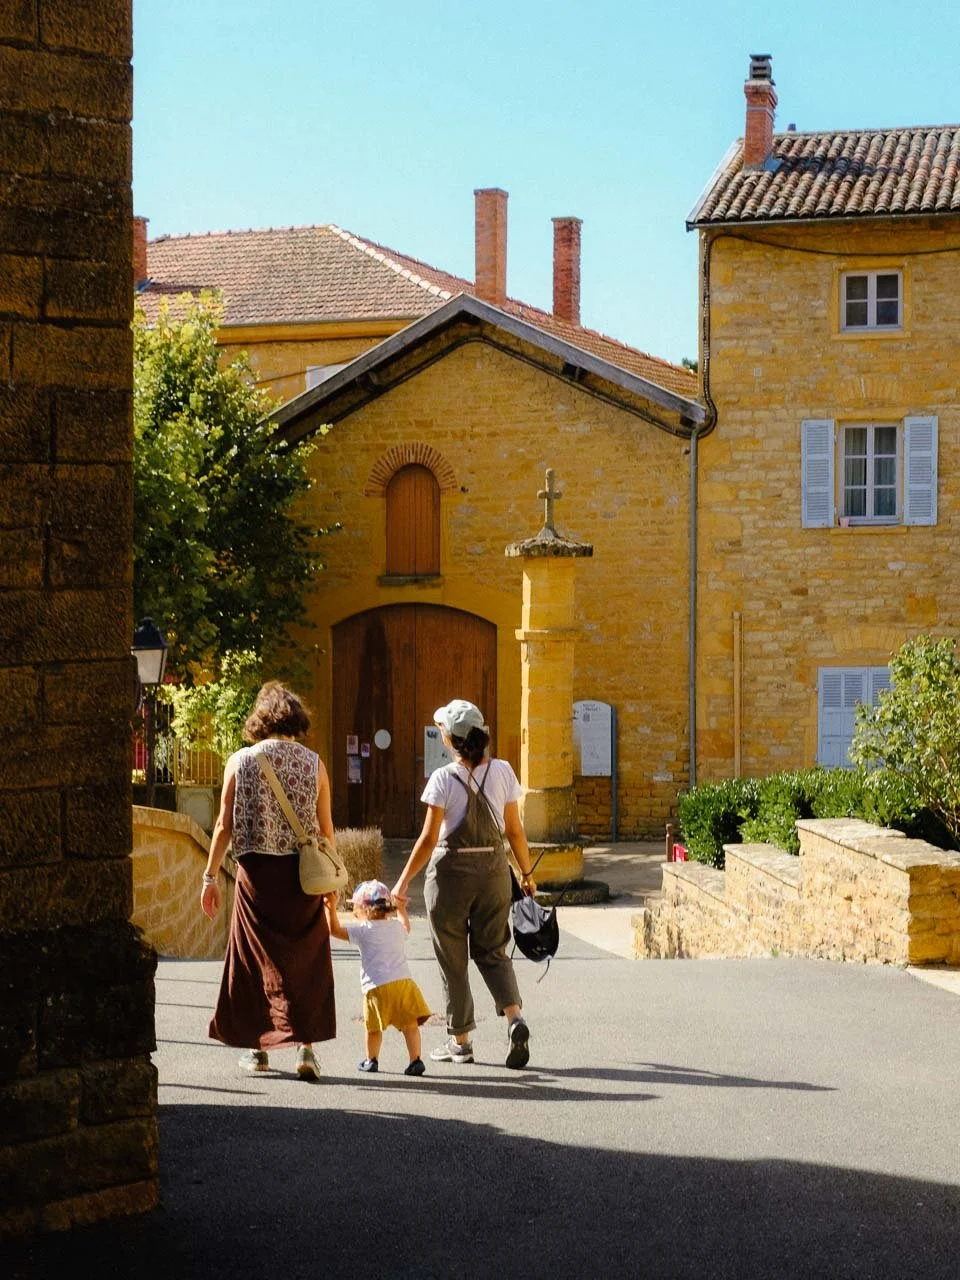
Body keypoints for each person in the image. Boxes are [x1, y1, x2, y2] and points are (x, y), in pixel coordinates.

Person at [200, 681, 336, 1080]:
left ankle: (257, 1049)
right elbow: (326, 831)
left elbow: (224, 824)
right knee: (305, 963)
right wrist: (331, 886)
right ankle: (306, 1049)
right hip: (303, 878)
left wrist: (209, 876)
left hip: (257, 876)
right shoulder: (314, 764)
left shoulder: (240, 761)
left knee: (251, 962)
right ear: (295, 718)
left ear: (259, 719)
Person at [391, 699, 538, 1070]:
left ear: (449, 739)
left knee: (452, 959)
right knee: (494, 951)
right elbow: (516, 831)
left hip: (450, 876)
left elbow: (427, 840)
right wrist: (526, 872)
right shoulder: (503, 772)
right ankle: (515, 1019)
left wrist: (402, 882)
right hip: (493, 870)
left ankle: (461, 1042)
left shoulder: (443, 779)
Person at [325, 880, 431, 1076]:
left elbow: (334, 930)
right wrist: (401, 909)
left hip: (375, 987)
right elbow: (406, 926)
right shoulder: (396, 927)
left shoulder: (363, 930)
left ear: (363, 908)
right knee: (410, 1026)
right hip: (403, 984)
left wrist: (330, 907)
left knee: (373, 1028)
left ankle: (371, 1060)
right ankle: (415, 1060)